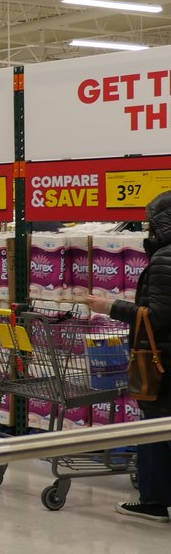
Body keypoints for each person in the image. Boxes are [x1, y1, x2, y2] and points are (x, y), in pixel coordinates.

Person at [86, 190, 171, 523]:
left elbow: (158, 316)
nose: (146, 228)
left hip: (162, 361)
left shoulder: (164, 258)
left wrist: (109, 307)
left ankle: (153, 500)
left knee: (155, 428)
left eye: (150, 222)